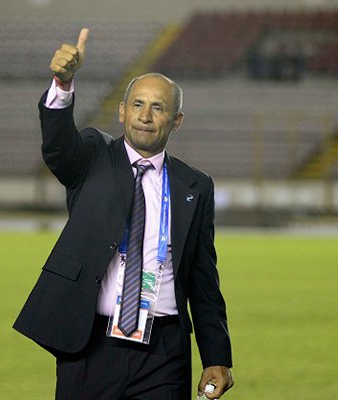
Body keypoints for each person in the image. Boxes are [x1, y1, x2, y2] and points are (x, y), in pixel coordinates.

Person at [13, 28, 233, 400]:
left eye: (158, 107)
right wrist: (63, 84)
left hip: (164, 352)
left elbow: (203, 279)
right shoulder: (92, 156)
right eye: (137, 105)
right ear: (122, 111)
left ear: (176, 120)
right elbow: (58, 148)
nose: (145, 116)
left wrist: (217, 357)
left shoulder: (195, 186)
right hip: (90, 344)